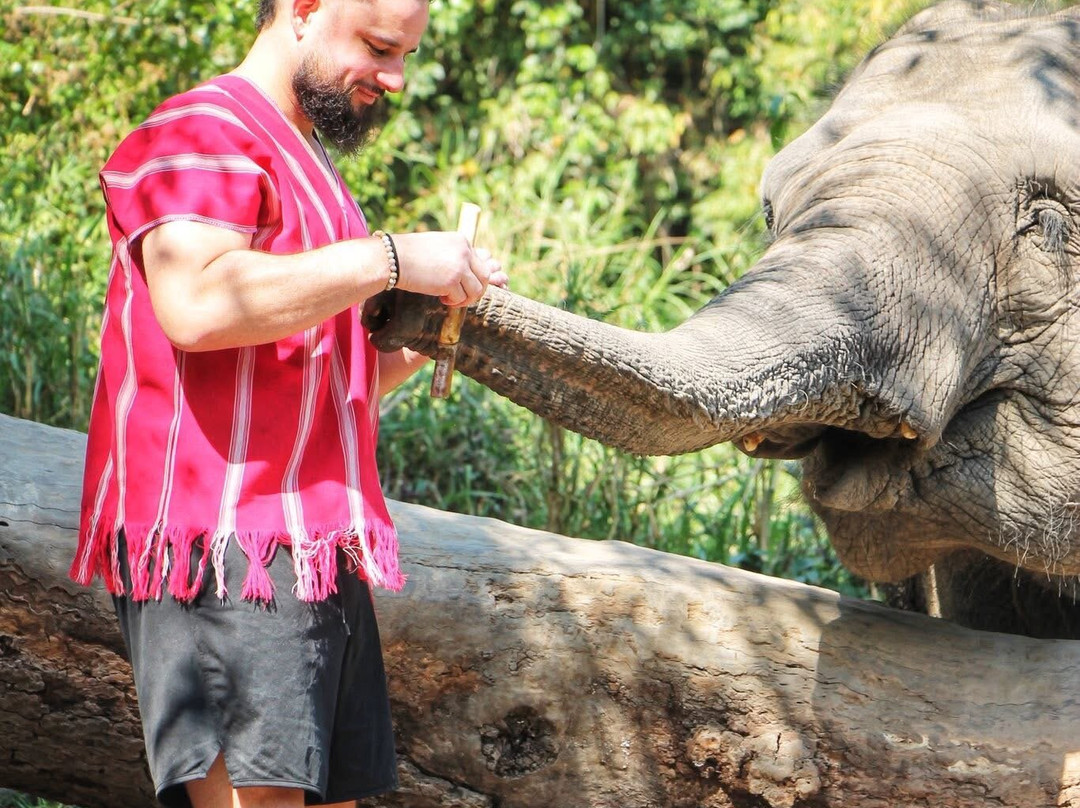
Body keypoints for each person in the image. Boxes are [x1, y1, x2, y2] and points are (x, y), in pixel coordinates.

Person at [69, 0, 506, 806]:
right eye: (379, 47)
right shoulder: (200, 130)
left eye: (404, 56)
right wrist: (390, 258)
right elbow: (197, 305)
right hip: (221, 540)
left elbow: (327, 385)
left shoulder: (309, 158)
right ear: (304, 9)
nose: (395, 79)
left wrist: (432, 333)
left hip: (312, 545)